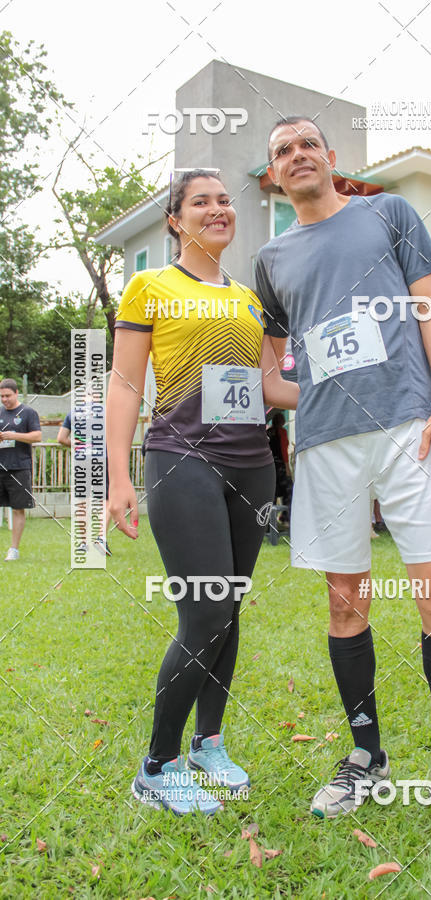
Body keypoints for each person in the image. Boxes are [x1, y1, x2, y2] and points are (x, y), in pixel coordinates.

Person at [255, 117, 431, 840]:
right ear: (273, 176)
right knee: (344, 609)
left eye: (307, 144)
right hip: (327, 446)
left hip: (408, 429)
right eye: (282, 152)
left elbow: (430, 308)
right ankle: (366, 756)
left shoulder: (386, 212)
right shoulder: (271, 257)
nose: (297, 156)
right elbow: (272, 375)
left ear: (331, 159)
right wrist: (320, 391)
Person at [107, 169, 298, 816]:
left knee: (231, 607)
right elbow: (125, 384)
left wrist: (353, 390)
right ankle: (155, 768)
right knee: (207, 611)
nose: (217, 209)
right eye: (201, 202)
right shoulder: (149, 287)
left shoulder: (250, 298)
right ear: (175, 219)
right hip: (180, 460)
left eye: (224, 200)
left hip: (253, 466)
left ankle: (208, 743)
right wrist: (116, 474)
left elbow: (273, 385)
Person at [58, 402, 112, 556]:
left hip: (82, 459)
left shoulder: (73, 412)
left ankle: (83, 543)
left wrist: (79, 446)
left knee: (83, 500)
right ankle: (100, 538)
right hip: (102, 458)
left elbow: (61, 438)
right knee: (106, 499)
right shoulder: (107, 411)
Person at [0, 379, 42, 561]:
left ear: (16, 393)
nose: (4, 399)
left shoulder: (28, 413)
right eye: (1, 396)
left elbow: (37, 436)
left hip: (19, 467)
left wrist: (14, 435)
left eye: (8, 396)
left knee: (18, 509)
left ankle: (14, 549)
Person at [267, 411, 292, 521]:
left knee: (271, 493)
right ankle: (285, 517)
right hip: (280, 466)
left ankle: (267, 522)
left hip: (270, 466)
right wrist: (287, 468)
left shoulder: (268, 432)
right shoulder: (282, 432)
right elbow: (283, 450)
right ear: (281, 421)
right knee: (289, 491)